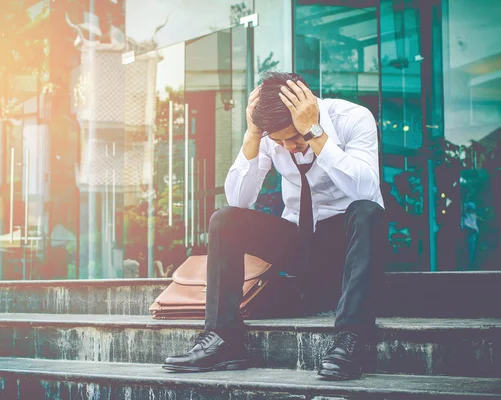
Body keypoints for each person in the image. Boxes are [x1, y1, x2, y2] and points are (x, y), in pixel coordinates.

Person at [163, 72, 385, 380]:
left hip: (346, 247)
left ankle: (352, 341)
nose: (290, 147)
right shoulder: (270, 136)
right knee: (225, 219)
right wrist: (253, 137)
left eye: (295, 138)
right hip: (298, 244)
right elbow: (238, 199)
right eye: (279, 141)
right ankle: (223, 338)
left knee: (366, 212)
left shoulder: (353, 118)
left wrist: (316, 135)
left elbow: (366, 191)